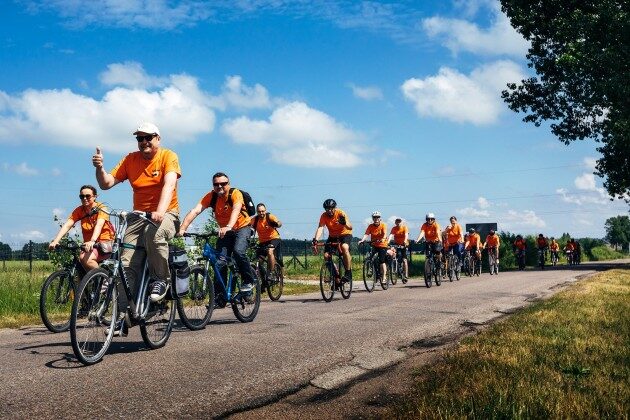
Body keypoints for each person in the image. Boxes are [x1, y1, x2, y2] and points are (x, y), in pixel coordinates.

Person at [93, 122, 181, 336]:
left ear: (158, 139)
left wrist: (159, 211)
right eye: (139, 138)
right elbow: (106, 184)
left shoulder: (168, 156)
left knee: (155, 233)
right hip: (138, 216)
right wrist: (100, 168)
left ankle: (162, 280)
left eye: (148, 137)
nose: (144, 142)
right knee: (126, 263)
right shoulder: (130, 159)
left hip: (167, 213)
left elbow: (169, 185)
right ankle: (123, 317)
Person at [179, 172, 256, 292]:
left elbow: (236, 209)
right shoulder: (212, 196)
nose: (219, 186)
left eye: (223, 184)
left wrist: (229, 226)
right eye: (216, 184)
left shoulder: (235, 193)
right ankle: (220, 297)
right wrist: (183, 228)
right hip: (226, 231)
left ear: (228, 184)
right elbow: (195, 210)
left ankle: (248, 280)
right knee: (220, 262)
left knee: (238, 252)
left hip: (242, 227)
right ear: (213, 185)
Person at [48, 185, 114, 271]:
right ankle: (89, 282)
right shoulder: (79, 210)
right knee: (80, 268)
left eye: (88, 196)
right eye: (82, 196)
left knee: (85, 259)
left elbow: (99, 225)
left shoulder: (101, 208)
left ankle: (104, 280)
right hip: (89, 245)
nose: (84, 198)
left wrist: (92, 241)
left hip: (104, 243)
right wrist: (56, 241)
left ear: (95, 197)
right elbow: (68, 224)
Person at [313, 199, 353, 283]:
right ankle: (336, 278)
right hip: (333, 236)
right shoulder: (324, 216)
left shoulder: (340, 213)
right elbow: (320, 227)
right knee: (326, 256)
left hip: (345, 234)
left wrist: (344, 223)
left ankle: (348, 273)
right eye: (327, 209)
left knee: (344, 247)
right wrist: (316, 239)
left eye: (331, 208)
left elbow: (350, 227)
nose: (329, 210)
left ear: (335, 207)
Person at [251, 203, 283, 283]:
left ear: (265, 210)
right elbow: (250, 230)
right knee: (258, 262)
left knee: (270, 251)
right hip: (263, 241)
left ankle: (271, 273)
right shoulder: (254, 220)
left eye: (263, 211)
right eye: (259, 211)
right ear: (257, 212)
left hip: (274, 238)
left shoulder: (270, 217)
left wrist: (277, 224)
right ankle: (264, 282)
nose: (261, 213)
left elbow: (279, 223)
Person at [358, 211, 388, 281]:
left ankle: (384, 277)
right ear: (372, 218)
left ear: (380, 218)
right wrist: (362, 240)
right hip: (374, 244)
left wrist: (383, 239)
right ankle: (374, 272)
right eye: (374, 217)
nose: (376, 218)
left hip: (382, 245)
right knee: (371, 258)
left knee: (382, 261)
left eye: (378, 217)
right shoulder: (370, 226)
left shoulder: (383, 225)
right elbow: (366, 234)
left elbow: (384, 233)